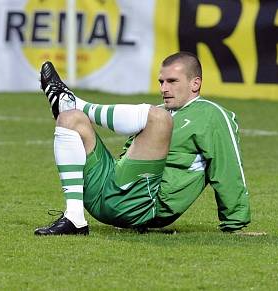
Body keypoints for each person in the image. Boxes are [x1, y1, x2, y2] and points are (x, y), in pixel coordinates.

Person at [34, 51, 250, 235]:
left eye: (172, 81)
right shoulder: (160, 114)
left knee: (156, 118)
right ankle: (74, 219)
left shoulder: (213, 116)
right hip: (109, 198)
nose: (164, 88)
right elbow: (130, 156)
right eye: (161, 82)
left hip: (146, 206)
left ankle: (77, 103)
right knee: (70, 119)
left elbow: (227, 169)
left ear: (195, 83)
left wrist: (235, 224)